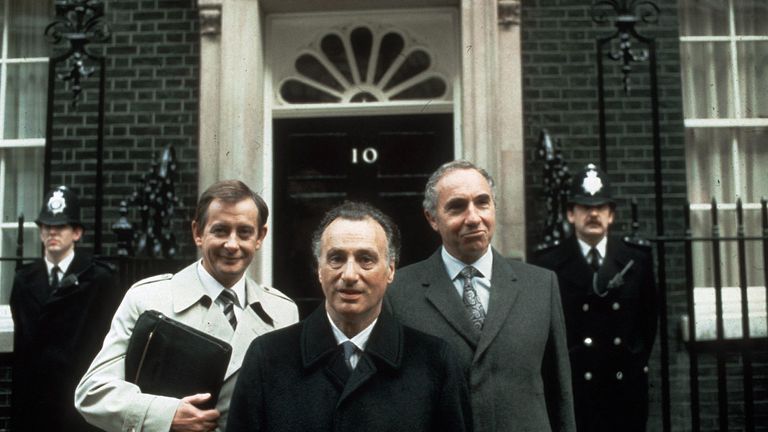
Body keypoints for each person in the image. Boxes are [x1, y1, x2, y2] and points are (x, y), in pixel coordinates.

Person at [226, 201, 472, 432]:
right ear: (319, 270)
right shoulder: (268, 358)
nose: (350, 274)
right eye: (336, 259)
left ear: (391, 270)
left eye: (366, 259)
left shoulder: (434, 362)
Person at [75, 180, 299, 432]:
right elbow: (93, 392)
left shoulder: (282, 312)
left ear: (260, 237)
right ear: (198, 233)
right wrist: (166, 415)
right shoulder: (150, 299)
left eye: (244, 232)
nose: (232, 244)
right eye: (220, 230)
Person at [385, 160, 575, 432]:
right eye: (457, 206)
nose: (473, 217)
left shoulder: (541, 286)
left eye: (482, 203)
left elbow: (560, 394)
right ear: (432, 218)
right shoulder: (399, 293)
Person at [532, 163, 657, 432]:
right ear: (570, 214)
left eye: (600, 207)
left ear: (610, 215)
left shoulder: (636, 259)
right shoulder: (548, 263)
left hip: (623, 390)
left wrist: (632, 364)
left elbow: (648, 325)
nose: (593, 214)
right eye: (584, 207)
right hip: (576, 391)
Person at [10, 185, 121, 432]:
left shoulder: (98, 280)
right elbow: (23, 346)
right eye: (47, 226)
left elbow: (108, 341)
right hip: (35, 402)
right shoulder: (24, 280)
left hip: (77, 400)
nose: (52, 232)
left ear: (77, 233)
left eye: (60, 227)